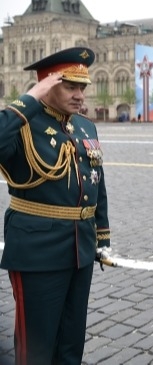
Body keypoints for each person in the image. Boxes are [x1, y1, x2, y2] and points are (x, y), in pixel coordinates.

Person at [0, 47, 112, 364]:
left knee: (70, 345)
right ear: (47, 85)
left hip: (80, 248)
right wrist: (31, 98)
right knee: (36, 348)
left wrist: (101, 237)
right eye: (71, 86)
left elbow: (95, 181)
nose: (80, 95)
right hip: (38, 250)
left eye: (83, 87)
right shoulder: (21, 123)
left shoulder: (85, 126)